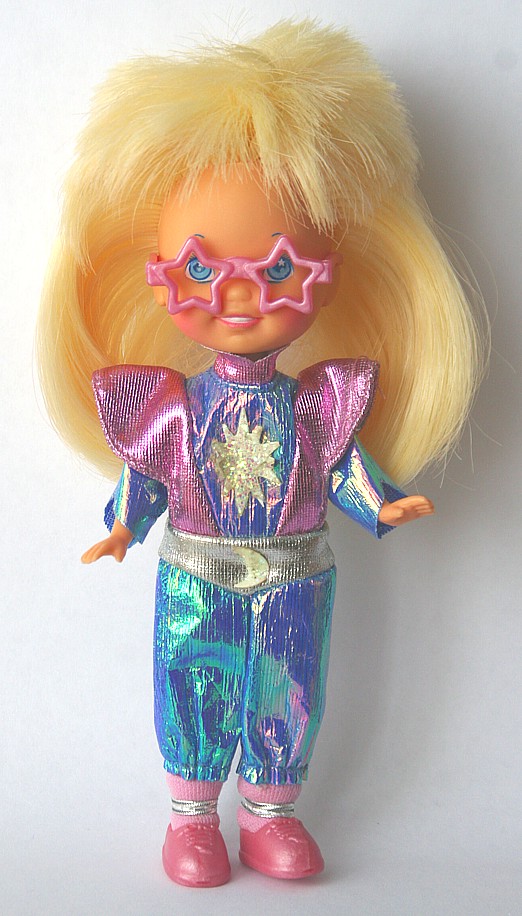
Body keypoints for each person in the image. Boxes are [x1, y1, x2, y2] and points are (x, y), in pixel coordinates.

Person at [37, 21, 486, 887]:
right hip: (197, 572)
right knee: (193, 680)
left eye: (280, 271)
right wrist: (124, 524)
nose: (239, 299)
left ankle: (271, 812)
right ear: (157, 276)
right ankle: (192, 817)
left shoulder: (317, 403)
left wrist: (380, 502)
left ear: (331, 273)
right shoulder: (173, 407)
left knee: (288, 687)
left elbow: (338, 465)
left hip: (295, 573)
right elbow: (150, 472)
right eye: (200, 273)